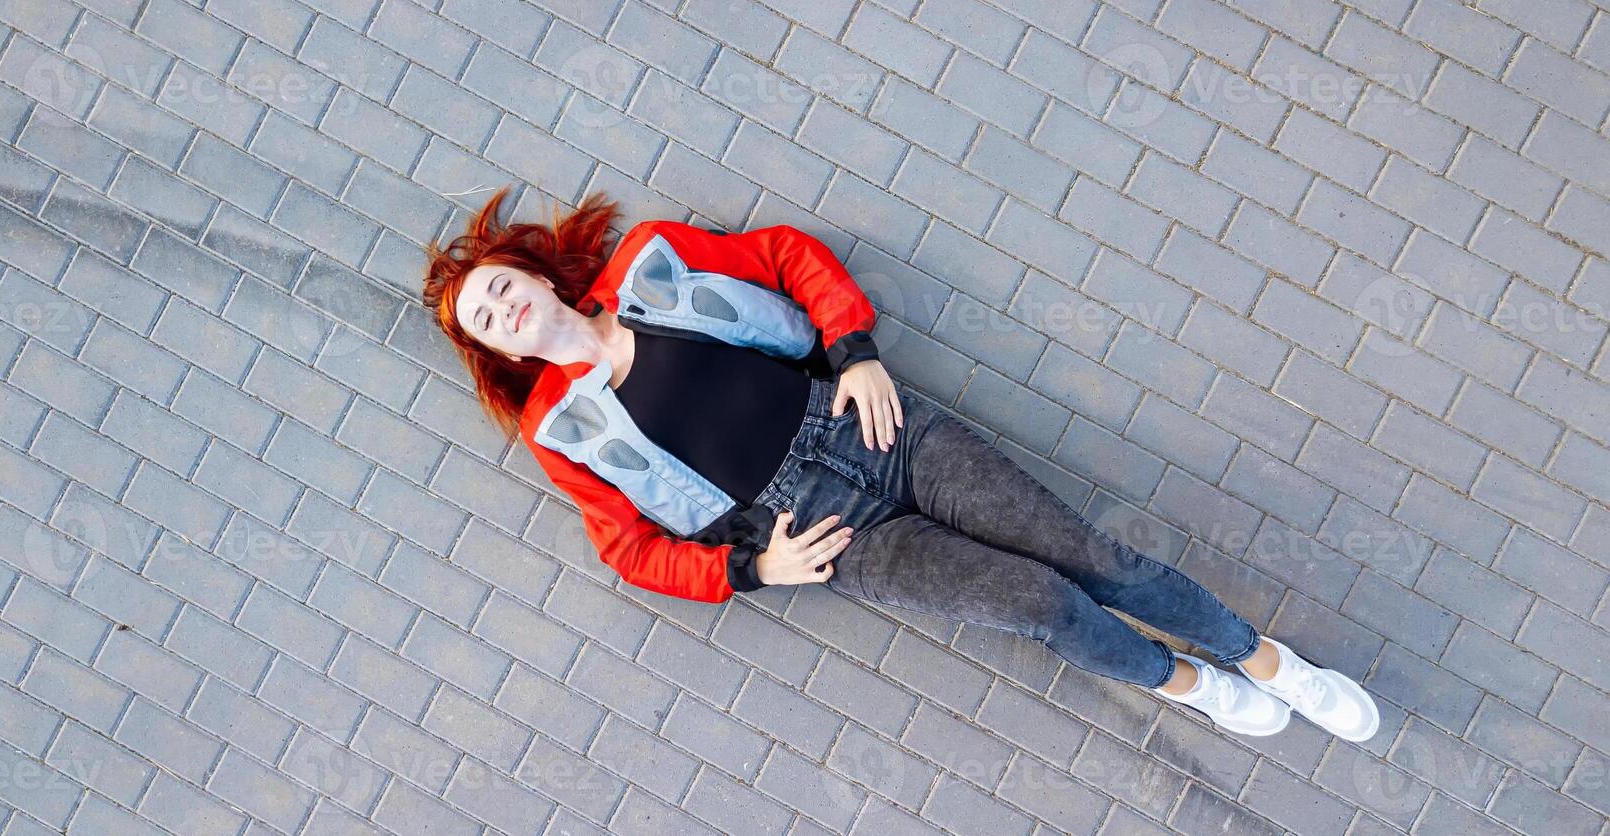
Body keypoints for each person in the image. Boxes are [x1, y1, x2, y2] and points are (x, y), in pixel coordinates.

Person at [423, 185, 1379, 741]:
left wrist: (855, 352)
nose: (503, 307)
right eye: (485, 318)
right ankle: (1190, 686)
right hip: (826, 532)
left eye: (501, 287)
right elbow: (627, 550)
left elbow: (783, 257)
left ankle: (1266, 661)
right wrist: (753, 570)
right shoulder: (560, 432)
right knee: (1038, 606)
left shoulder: (651, 260)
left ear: (537, 277)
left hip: (866, 428)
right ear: (501, 351)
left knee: (1095, 558)